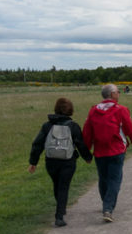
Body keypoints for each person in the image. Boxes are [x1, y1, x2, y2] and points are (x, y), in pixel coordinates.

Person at [28, 97, 93, 226]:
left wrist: (33, 162)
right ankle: (59, 216)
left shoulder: (47, 126)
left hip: (51, 161)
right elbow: (80, 144)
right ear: (70, 110)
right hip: (68, 161)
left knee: (57, 185)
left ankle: (61, 209)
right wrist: (88, 157)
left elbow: (37, 144)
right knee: (64, 186)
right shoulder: (73, 126)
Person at [82, 84, 132, 222]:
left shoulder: (93, 111)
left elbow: (87, 132)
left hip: (100, 151)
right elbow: (128, 127)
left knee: (103, 178)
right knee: (114, 179)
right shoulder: (121, 110)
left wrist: (87, 152)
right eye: (118, 92)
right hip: (116, 150)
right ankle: (107, 209)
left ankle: (106, 203)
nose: (119, 94)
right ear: (112, 94)